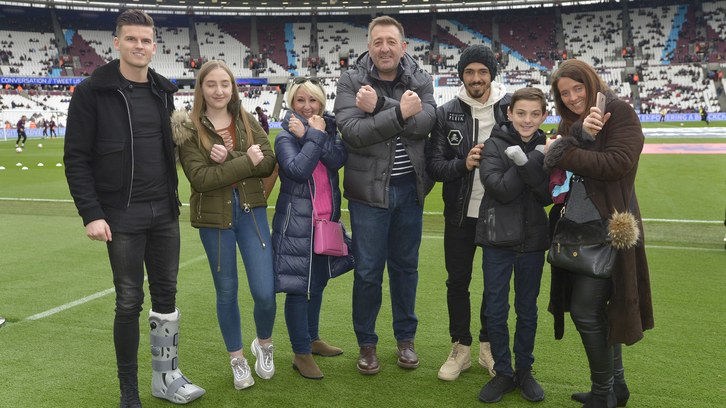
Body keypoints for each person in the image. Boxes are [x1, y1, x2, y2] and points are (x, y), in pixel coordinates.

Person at [64, 10, 205, 408]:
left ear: (154, 46)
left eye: (146, 41)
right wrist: (91, 213)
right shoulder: (92, 91)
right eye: (132, 40)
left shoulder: (164, 90)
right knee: (128, 301)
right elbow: (75, 157)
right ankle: (129, 389)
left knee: (167, 296)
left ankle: (166, 378)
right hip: (120, 215)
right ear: (117, 42)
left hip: (164, 211)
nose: (139, 47)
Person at [544, 59, 654, 408]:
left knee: (585, 311)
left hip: (606, 231)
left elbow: (617, 163)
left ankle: (603, 395)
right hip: (576, 231)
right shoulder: (570, 122)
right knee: (599, 311)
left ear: (592, 83)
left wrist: (564, 153)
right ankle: (615, 387)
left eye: (578, 88)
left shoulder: (620, 113)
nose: (573, 97)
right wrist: (567, 144)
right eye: (565, 93)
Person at [334, 15, 436, 375]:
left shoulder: (419, 77)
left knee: (406, 269)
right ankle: (367, 344)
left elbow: (426, 124)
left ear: (403, 46)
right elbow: (352, 133)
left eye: (391, 41)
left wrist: (380, 106)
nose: (385, 48)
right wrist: (401, 113)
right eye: (378, 41)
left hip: (409, 192)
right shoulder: (351, 80)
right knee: (367, 273)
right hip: (368, 196)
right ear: (369, 46)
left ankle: (405, 340)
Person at [171, 60, 277, 390]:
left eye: (225, 84)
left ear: (233, 88)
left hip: (253, 213)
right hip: (214, 219)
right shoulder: (188, 129)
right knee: (227, 291)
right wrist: (247, 161)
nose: (219, 90)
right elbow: (201, 179)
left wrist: (232, 160)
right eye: (211, 84)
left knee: (265, 293)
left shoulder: (245, 119)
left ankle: (264, 344)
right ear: (200, 88)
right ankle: (238, 359)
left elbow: (270, 162)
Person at [425, 44, 511, 382]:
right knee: (457, 282)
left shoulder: (509, 108)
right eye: (469, 72)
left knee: (495, 286)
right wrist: (465, 163)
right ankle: (460, 348)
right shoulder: (447, 113)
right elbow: (434, 165)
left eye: (482, 71)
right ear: (461, 74)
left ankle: (488, 347)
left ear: (492, 74)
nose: (475, 78)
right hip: (459, 214)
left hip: (499, 214)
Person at [271, 77, 354, 380]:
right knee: (297, 290)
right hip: (296, 225)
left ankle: (313, 338)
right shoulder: (284, 138)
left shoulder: (325, 133)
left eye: (313, 101)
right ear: (291, 104)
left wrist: (311, 133)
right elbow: (297, 169)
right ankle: (300, 352)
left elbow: (337, 159)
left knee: (317, 284)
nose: (307, 107)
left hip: (325, 223)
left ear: (321, 103)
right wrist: (311, 135)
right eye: (300, 101)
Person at [474, 87, 551, 404]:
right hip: (497, 240)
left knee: (527, 311)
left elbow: (548, 195)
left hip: (533, 241)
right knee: (495, 308)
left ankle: (524, 371)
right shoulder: (493, 145)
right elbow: (501, 190)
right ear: (509, 113)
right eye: (521, 113)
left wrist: (527, 161)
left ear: (544, 115)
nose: (527, 120)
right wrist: (533, 160)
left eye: (535, 114)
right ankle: (503, 372)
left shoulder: (550, 145)